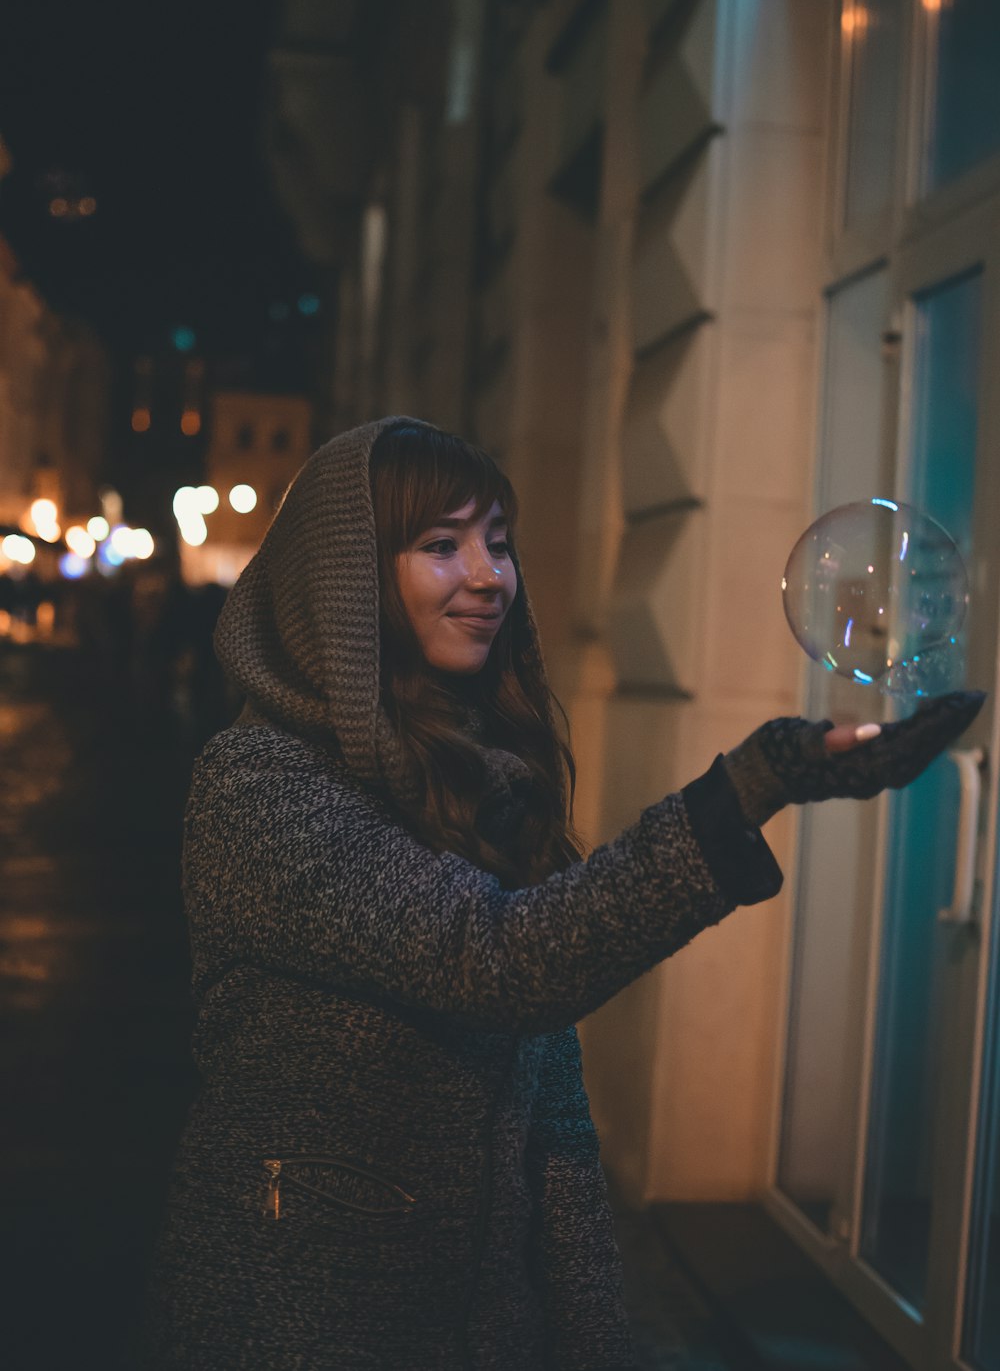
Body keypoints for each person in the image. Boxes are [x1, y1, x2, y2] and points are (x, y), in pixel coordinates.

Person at [138, 415, 983, 1370]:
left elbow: (555, 1122)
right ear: (346, 580)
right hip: (291, 1325)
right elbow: (502, 959)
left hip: (485, 1332)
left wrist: (594, 1342)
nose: (491, 576)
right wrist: (748, 789)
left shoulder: (483, 780)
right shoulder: (257, 784)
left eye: (499, 542)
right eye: (440, 545)